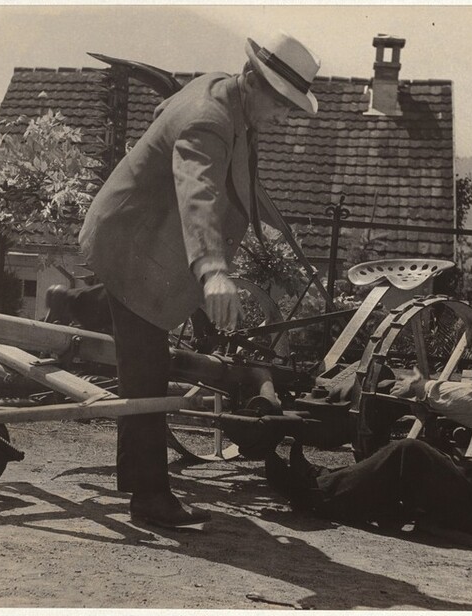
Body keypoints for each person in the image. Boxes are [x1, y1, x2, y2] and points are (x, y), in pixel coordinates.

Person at [78, 32, 321, 528]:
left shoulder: (223, 91)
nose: (283, 118)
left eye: (292, 108)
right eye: (281, 105)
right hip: (133, 248)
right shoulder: (210, 119)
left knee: (140, 348)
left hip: (139, 233)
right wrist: (212, 269)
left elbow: (171, 121)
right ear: (252, 79)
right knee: (146, 375)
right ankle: (149, 499)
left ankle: (77, 303)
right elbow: (198, 191)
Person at [271, 294, 472, 547]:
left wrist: (425, 390)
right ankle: (330, 479)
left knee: (409, 454)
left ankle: (312, 495)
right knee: (433, 456)